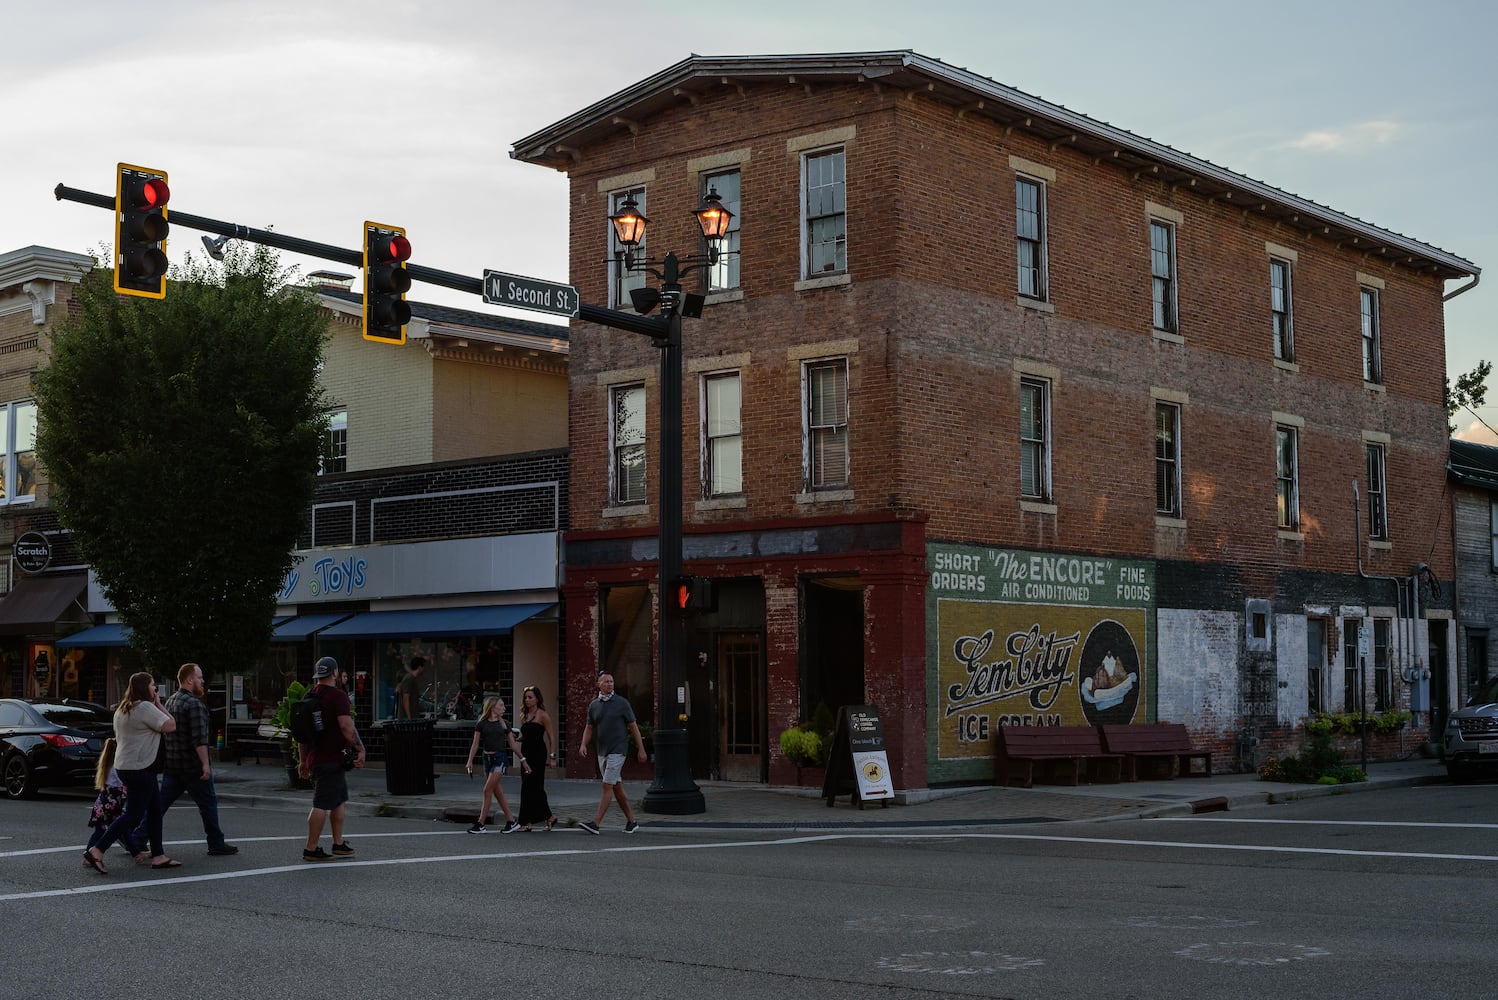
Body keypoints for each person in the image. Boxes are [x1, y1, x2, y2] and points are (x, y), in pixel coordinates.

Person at [83, 672, 180, 874]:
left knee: (154, 812)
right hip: (140, 768)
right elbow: (171, 725)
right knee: (133, 815)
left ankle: (159, 855)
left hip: (127, 766)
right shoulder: (144, 707)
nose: (156, 689)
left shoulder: (122, 708)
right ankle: (97, 850)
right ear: (145, 688)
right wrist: (158, 705)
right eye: (153, 685)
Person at [140, 662, 238, 856]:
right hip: (192, 766)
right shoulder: (194, 704)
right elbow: (199, 739)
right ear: (189, 679)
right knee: (208, 804)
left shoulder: (171, 701)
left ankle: (138, 837)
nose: (203, 681)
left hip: (173, 765)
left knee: (160, 805)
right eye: (200, 677)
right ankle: (216, 842)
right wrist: (205, 765)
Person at [298, 656, 366, 862]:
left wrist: (302, 761)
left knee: (338, 800)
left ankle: (338, 844)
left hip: (318, 757)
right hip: (331, 759)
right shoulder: (338, 696)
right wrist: (360, 748)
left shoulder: (310, 695)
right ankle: (311, 848)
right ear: (335, 673)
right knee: (321, 803)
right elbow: (346, 726)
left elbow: (303, 734)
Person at [575, 672, 647, 835]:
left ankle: (596, 823)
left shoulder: (622, 703)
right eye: (606, 682)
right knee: (616, 787)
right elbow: (589, 727)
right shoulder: (594, 705)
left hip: (618, 750)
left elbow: (633, 726)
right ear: (598, 684)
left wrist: (641, 749)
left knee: (607, 785)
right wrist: (583, 744)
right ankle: (631, 822)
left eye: (612, 682)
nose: (609, 684)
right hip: (602, 751)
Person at [463, 696, 526, 834]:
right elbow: (475, 744)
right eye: (501, 705)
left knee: (487, 791)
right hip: (487, 759)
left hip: (500, 759)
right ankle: (511, 822)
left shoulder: (504, 724)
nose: (504, 708)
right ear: (493, 707)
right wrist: (470, 761)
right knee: (498, 793)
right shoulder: (481, 724)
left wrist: (523, 760)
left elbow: (513, 744)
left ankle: (480, 824)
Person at [84, 737, 145, 864]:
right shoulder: (117, 767)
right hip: (113, 803)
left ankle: (88, 854)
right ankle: (136, 854)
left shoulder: (105, 765)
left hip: (103, 802)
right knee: (122, 828)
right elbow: (124, 782)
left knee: (100, 830)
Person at [517, 685, 558, 832]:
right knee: (530, 787)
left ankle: (525, 821)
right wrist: (516, 738)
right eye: (526, 698)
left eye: (530, 697)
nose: (527, 700)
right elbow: (525, 736)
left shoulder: (543, 715)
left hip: (538, 754)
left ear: (537, 699)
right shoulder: (524, 715)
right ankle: (546, 818)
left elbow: (551, 737)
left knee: (532, 786)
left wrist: (552, 757)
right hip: (525, 754)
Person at [397, 655, 426, 719]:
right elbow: (406, 698)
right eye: (423, 666)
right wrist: (409, 717)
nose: (424, 669)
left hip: (412, 716)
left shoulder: (413, 679)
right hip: (406, 718)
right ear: (419, 667)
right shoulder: (409, 678)